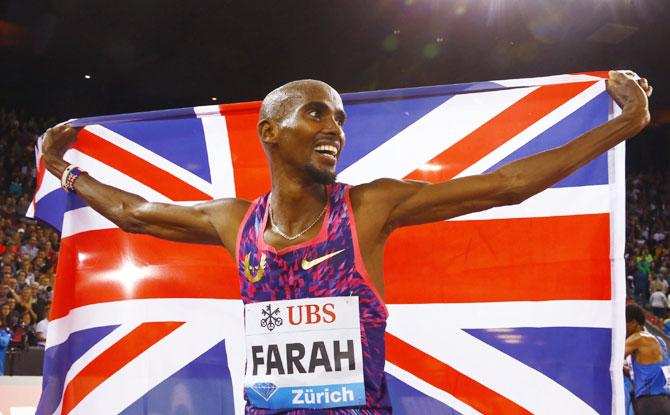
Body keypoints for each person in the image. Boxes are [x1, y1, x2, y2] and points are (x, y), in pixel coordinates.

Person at [41, 71, 651, 414]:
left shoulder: (367, 208)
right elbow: (136, 213)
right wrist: (63, 169)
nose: (334, 128)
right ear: (269, 132)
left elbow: (506, 186)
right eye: (315, 114)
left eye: (338, 119)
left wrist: (624, 124)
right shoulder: (235, 222)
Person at [625, 303, 670, 414]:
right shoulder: (660, 340)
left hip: (650, 402)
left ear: (634, 323)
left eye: (624, 323)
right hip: (665, 401)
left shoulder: (637, 338)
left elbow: (613, 359)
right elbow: (650, 372)